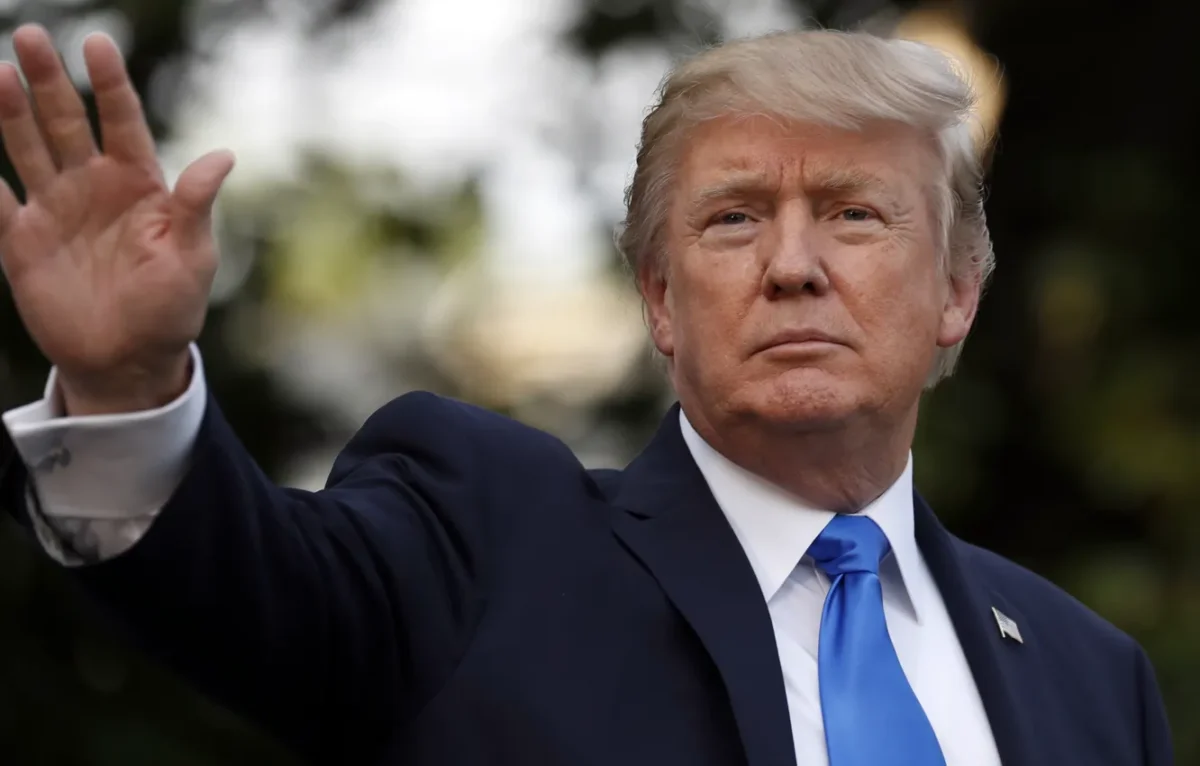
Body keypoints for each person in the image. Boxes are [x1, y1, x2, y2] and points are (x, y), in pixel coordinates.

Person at [0, 20, 1172, 766]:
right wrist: (125, 385)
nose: (792, 264)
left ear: (957, 293)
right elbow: (242, 584)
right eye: (735, 218)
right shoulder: (486, 541)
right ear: (661, 299)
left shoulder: (1090, 677)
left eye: (854, 214)